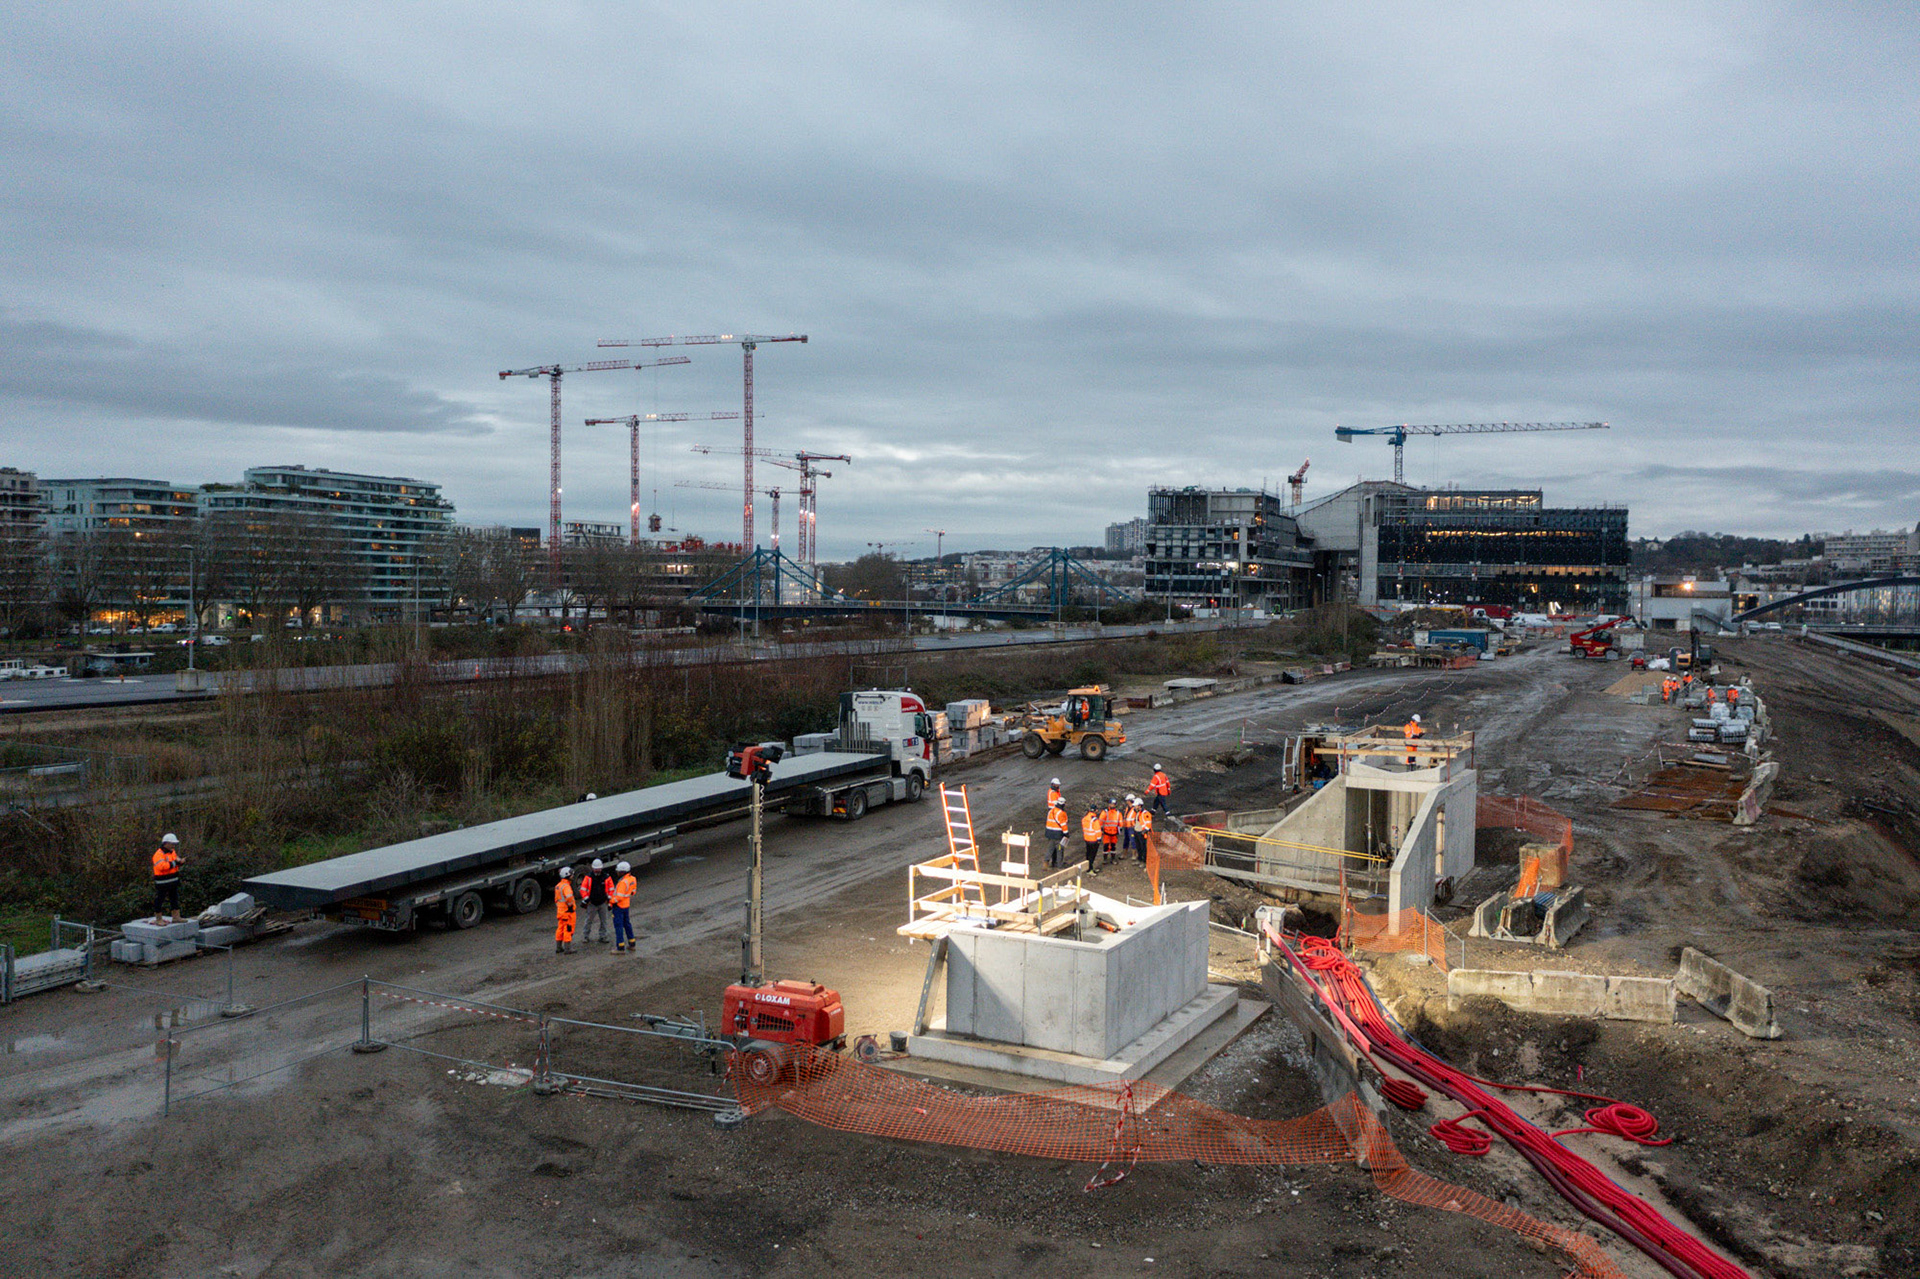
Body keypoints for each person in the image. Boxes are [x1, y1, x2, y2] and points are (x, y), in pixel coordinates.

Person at [151, 832, 183, 923]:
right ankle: (158, 919)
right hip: (162, 882)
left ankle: (176, 917)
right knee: (160, 899)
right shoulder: (158, 854)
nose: (174, 845)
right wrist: (176, 863)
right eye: (172, 844)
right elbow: (161, 866)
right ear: (166, 843)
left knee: (174, 898)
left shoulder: (172, 852)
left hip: (173, 881)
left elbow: (176, 860)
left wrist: (180, 862)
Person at [578, 858, 611, 945]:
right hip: (592, 903)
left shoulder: (606, 877)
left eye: (598, 868)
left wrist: (609, 900)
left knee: (604, 921)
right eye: (596, 869)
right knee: (589, 921)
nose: (597, 870)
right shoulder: (588, 877)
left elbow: (611, 890)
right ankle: (585, 936)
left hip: (602, 902)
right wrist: (587, 899)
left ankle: (603, 936)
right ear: (593, 868)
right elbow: (583, 890)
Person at [610, 860, 638, 954]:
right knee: (627, 924)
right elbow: (633, 892)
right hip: (626, 905)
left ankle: (620, 947)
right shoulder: (632, 879)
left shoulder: (623, 882)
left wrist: (610, 901)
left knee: (619, 926)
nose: (617, 873)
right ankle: (632, 943)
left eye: (618, 871)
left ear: (622, 872)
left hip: (619, 907)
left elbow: (619, 897)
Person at [553, 867, 577, 954]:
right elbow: (569, 897)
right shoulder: (566, 887)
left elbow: (556, 900)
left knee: (560, 929)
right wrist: (570, 906)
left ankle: (559, 947)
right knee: (568, 929)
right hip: (568, 912)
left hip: (561, 912)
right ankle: (568, 948)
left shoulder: (558, 886)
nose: (573, 876)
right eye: (571, 874)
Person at [1045, 799, 1070, 869]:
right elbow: (1063, 824)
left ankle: (1046, 862)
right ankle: (1059, 865)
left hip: (1050, 833)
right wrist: (1066, 834)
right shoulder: (1060, 813)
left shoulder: (1050, 811)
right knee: (1059, 849)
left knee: (1050, 848)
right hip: (1058, 834)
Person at [1099, 798, 1122, 864]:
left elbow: (1120, 822)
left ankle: (1113, 859)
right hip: (1107, 832)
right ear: (1109, 804)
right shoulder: (1105, 812)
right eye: (1112, 804)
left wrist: (1120, 829)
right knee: (1106, 846)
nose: (1113, 805)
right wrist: (1101, 829)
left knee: (1113, 846)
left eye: (1114, 804)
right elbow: (1100, 821)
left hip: (1114, 833)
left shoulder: (1117, 813)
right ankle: (1105, 859)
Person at [1080, 806, 1102, 874]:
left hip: (1087, 838)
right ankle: (1090, 869)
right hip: (1093, 839)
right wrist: (1099, 839)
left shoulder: (1085, 818)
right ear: (1096, 810)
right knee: (1092, 855)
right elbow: (1098, 831)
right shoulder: (1095, 820)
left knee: (1088, 854)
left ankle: (1088, 868)